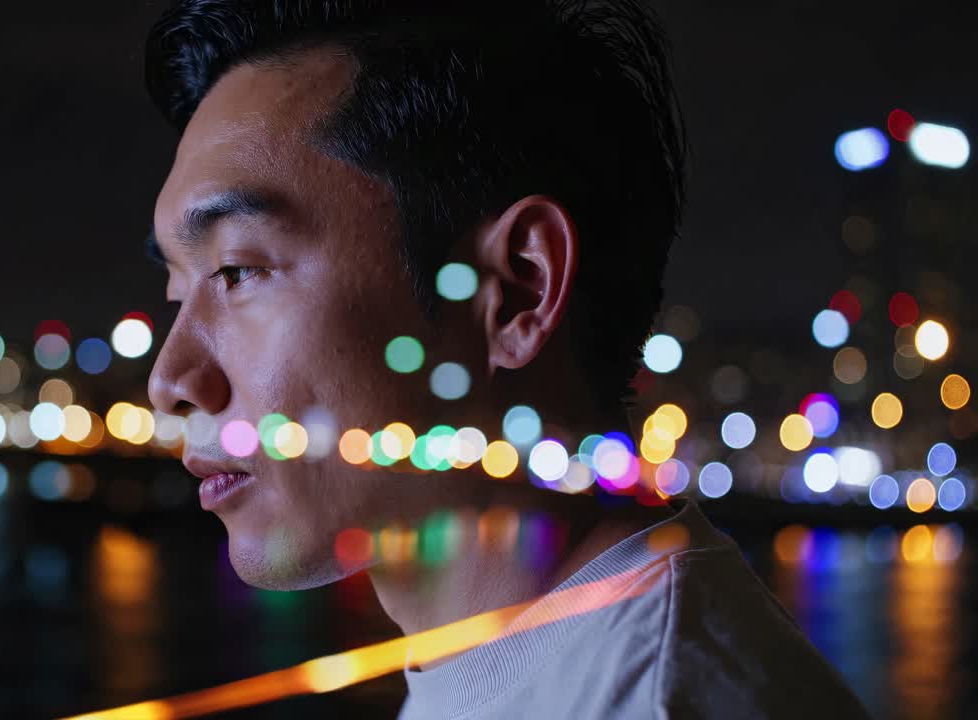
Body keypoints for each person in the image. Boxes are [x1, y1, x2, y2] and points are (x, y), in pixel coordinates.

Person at [141, 1, 870, 717]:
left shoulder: (652, 698)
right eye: (179, 289)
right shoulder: (520, 662)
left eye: (236, 272)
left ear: (515, 290)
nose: (170, 380)